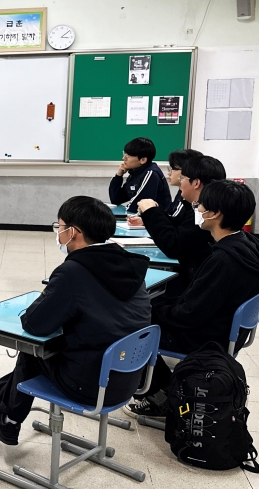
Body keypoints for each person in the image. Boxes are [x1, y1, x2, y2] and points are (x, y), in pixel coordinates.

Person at [0, 196, 151, 445]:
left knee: (34, 351)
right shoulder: (130, 266)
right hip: (129, 378)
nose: (57, 233)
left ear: (74, 233)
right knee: (47, 350)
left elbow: (34, 323)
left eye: (60, 227)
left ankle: (6, 418)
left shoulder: (73, 272)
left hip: (91, 385)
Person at [126, 180, 259, 418]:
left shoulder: (224, 260)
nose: (197, 210)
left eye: (201, 205)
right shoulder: (248, 244)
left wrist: (146, 309)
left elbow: (187, 316)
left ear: (216, 214)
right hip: (230, 333)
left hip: (208, 339)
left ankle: (159, 396)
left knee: (131, 323)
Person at [130, 156, 226, 294]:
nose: (180, 184)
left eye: (182, 179)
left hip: (191, 287)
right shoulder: (198, 207)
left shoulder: (205, 215)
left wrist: (151, 212)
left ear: (196, 183)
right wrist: (153, 215)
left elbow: (173, 245)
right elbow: (179, 227)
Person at [108, 137, 171, 213]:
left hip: (157, 221)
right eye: (125, 154)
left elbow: (137, 206)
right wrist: (119, 175)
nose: (124, 158)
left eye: (128, 156)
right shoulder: (135, 172)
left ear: (143, 160)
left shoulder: (151, 174)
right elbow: (116, 199)